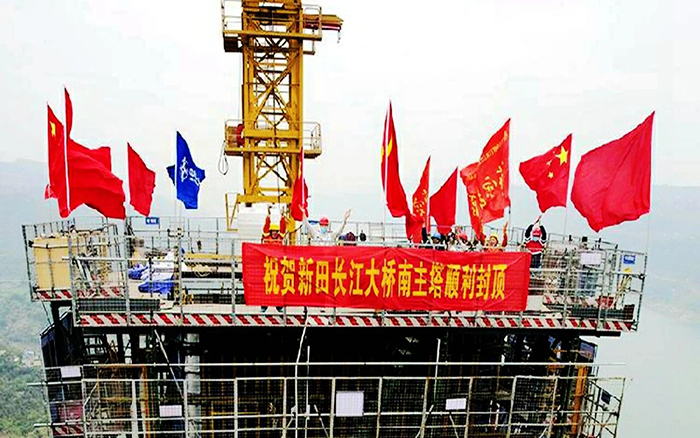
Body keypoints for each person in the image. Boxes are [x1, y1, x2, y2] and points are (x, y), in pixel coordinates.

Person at [261, 206, 286, 312]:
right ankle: (264, 305)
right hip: (268, 266)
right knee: (267, 286)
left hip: (278, 266)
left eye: (276, 231)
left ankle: (279, 306)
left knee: (278, 286)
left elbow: (283, 227)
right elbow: (266, 226)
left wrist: (282, 216)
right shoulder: (266, 237)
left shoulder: (280, 238)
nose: (275, 233)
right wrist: (268, 214)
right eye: (273, 231)